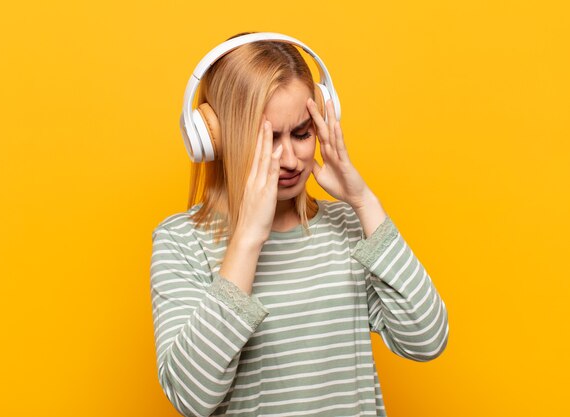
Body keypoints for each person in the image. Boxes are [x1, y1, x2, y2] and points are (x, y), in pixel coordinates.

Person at [150, 32, 449, 417]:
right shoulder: (182, 242)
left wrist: (364, 202)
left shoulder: (347, 228)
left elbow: (426, 339)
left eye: (302, 133)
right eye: (269, 138)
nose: (290, 158)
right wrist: (247, 242)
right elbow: (192, 397)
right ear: (215, 140)